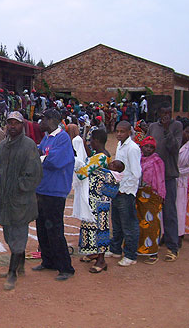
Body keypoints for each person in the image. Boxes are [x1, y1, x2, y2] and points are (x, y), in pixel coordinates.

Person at [0, 111, 42, 290]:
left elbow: (34, 173)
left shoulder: (28, 145)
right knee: (9, 235)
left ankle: (12, 273)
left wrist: (19, 187)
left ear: (22, 125)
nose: (12, 126)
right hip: (5, 200)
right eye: (9, 123)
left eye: (16, 123)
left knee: (18, 236)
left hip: (20, 200)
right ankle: (20, 265)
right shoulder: (2, 145)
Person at [33, 109, 75, 281]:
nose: (39, 122)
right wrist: (41, 156)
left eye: (42, 119)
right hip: (42, 189)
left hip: (55, 191)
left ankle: (65, 267)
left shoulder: (62, 138)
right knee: (42, 227)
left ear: (51, 120)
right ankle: (48, 260)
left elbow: (54, 161)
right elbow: (40, 155)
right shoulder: (47, 138)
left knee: (55, 229)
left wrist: (40, 157)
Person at [75, 130, 121, 273]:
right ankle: (94, 252)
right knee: (91, 225)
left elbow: (83, 173)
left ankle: (101, 260)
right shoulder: (101, 155)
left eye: (91, 141)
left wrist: (76, 165)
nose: (90, 143)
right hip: (94, 197)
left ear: (97, 140)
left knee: (100, 228)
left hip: (99, 200)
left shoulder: (100, 157)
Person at [147, 102, 182, 261]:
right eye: (163, 113)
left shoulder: (177, 126)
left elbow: (174, 148)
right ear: (159, 114)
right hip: (153, 176)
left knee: (169, 212)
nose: (166, 116)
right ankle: (155, 241)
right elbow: (147, 146)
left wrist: (168, 130)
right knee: (153, 210)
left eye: (169, 112)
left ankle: (173, 247)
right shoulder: (153, 127)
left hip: (168, 175)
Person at [109, 121, 142, 266]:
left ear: (129, 132)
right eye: (117, 131)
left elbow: (136, 173)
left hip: (126, 192)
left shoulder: (133, 148)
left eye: (122, 131)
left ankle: (130, 254)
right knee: (116, 222)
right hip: (117, 189)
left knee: (128, 224)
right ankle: (116, 249)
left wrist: (125, 186)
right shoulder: (120, 145)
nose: (119, 134)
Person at [136, 136, 166, 264]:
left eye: (151, 147)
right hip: (140, 195)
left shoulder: (157, 161)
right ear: (142, 147)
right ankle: (139, 249)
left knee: (152, 224)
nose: (148, 149)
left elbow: (160, 180)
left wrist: (160, 195)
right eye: (146, 146)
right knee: (139, 222)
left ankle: (152, 253)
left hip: (153, 196)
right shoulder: (139, 159)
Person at [176, 122, 189, 246]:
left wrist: (177, 172)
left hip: (181, 180)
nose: (186, 135)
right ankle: (166, 234)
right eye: (185, 132)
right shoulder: (176, 143)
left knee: (180, 208)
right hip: (170, 179)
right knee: (168, 208)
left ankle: (179, 235)